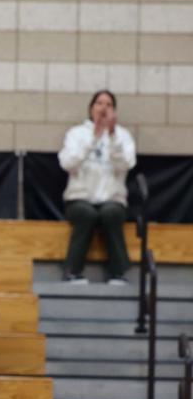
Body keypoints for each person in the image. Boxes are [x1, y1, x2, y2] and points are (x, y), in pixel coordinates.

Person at [59, 90, 137, 285]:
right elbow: (68, 163)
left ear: (114, 110)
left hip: (112, 199)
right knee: (86, 214)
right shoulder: (76, 133)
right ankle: (73, 271)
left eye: (108, 104)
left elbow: (126, 165)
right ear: (91, 108)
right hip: (80, 198)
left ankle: (117, 273)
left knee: (111, 214)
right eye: (99, 103)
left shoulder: (123, 136)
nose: (103, 108)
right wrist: (93, 139)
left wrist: (111, 138)